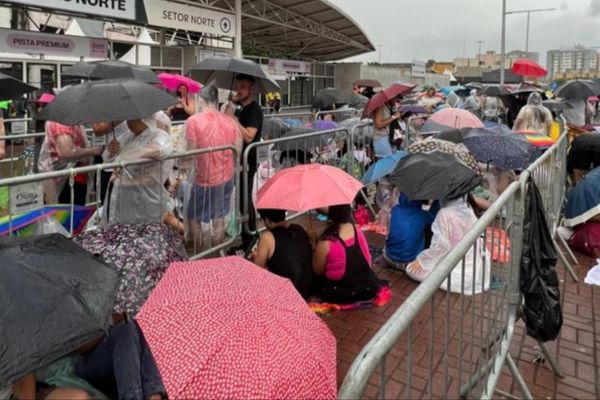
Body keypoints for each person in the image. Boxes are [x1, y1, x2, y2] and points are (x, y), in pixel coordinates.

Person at [184, 84, 242, 250]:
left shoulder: (194, 121)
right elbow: (237, 150)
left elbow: (190, 153)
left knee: (194, 216)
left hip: (204, 179)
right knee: (220, 215)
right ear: (216, 100)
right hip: (226, 177)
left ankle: (198, 248)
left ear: (200, 99)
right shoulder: (230, 122)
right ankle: (217, 249)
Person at [406, 196, 490, 295]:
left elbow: (440, 248)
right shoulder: (468, 209)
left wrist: (422, 261)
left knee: (410, 269)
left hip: (457, 273)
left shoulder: (444, 214)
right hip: (475, 272)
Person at [103, 116, 173, 225]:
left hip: (146, 197)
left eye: (131, 120)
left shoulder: (159, 135)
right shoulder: (127, 137)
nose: (128, 124)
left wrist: (126, 157)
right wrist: (111, 150)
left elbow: (159, 150)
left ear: (143, 119)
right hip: (124, 197)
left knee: (147, 231)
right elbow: (108, 160)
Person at [74, 321, 164, 400]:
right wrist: (111, 322)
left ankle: (154, 394)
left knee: (141, 324)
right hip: (88, 360)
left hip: (122, 352)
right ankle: (132, 396)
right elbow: (80, 348)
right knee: (125, 328)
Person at [313, 204, 384, 304]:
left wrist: (313, 245)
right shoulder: (356, 230)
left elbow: (317, 270)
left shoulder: (325, 241)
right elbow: (368, 260)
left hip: (341, 294)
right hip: (368, 288)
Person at [225, 74, 264, 251]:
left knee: (245, 200)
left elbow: (249, 135)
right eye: (238, 86)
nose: (239, 90)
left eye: (243, 87)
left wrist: (233, 119)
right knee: (241, 200)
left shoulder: (254, 109)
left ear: (252, 89)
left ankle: (251, 239)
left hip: (248, 160)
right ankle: (247, 237)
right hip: (238, 160)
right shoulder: (239, 108)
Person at [252, 208, 314, 299]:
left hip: (287, 294)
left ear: (267, 220)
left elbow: (257, 268)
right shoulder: (298, 228)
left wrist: (255, 255)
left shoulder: (267, 237)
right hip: (307, 289)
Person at [38, 121, 103, 205]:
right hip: (68, 176)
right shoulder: (61, 124)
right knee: (69, 210)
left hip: (71, 174)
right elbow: (67, 151)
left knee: (69, 209)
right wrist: (91, 151)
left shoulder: (70, 122)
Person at [384, 194, 439, 271]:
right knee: (429, 228)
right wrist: (437, 200)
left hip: (389, 258)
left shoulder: (395, 209)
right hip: (410, 262)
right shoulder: (422, 215)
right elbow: (436, 218)